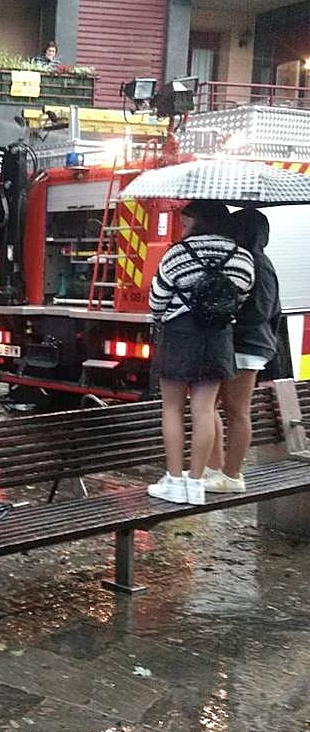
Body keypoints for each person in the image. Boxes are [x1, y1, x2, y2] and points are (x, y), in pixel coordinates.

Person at [147, 200, 254, 504]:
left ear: (199, 221)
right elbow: (241, 298)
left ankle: (174, 480)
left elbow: (157, 300)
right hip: (218, 338)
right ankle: (196, 483)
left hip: (180, 337)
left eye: (185, 222)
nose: (182, 228)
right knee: (205, 410)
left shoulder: (178, 253)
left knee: (172, 409)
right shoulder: (241, 256)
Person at [205, 209, 280, 493]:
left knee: (235, 410)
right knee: (212, 407)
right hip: (242, 345)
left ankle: (232, 474)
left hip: (246, 346)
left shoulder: (258, 264)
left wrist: (229, 318)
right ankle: (215, 468)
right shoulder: (249, 260)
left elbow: (261, 310)